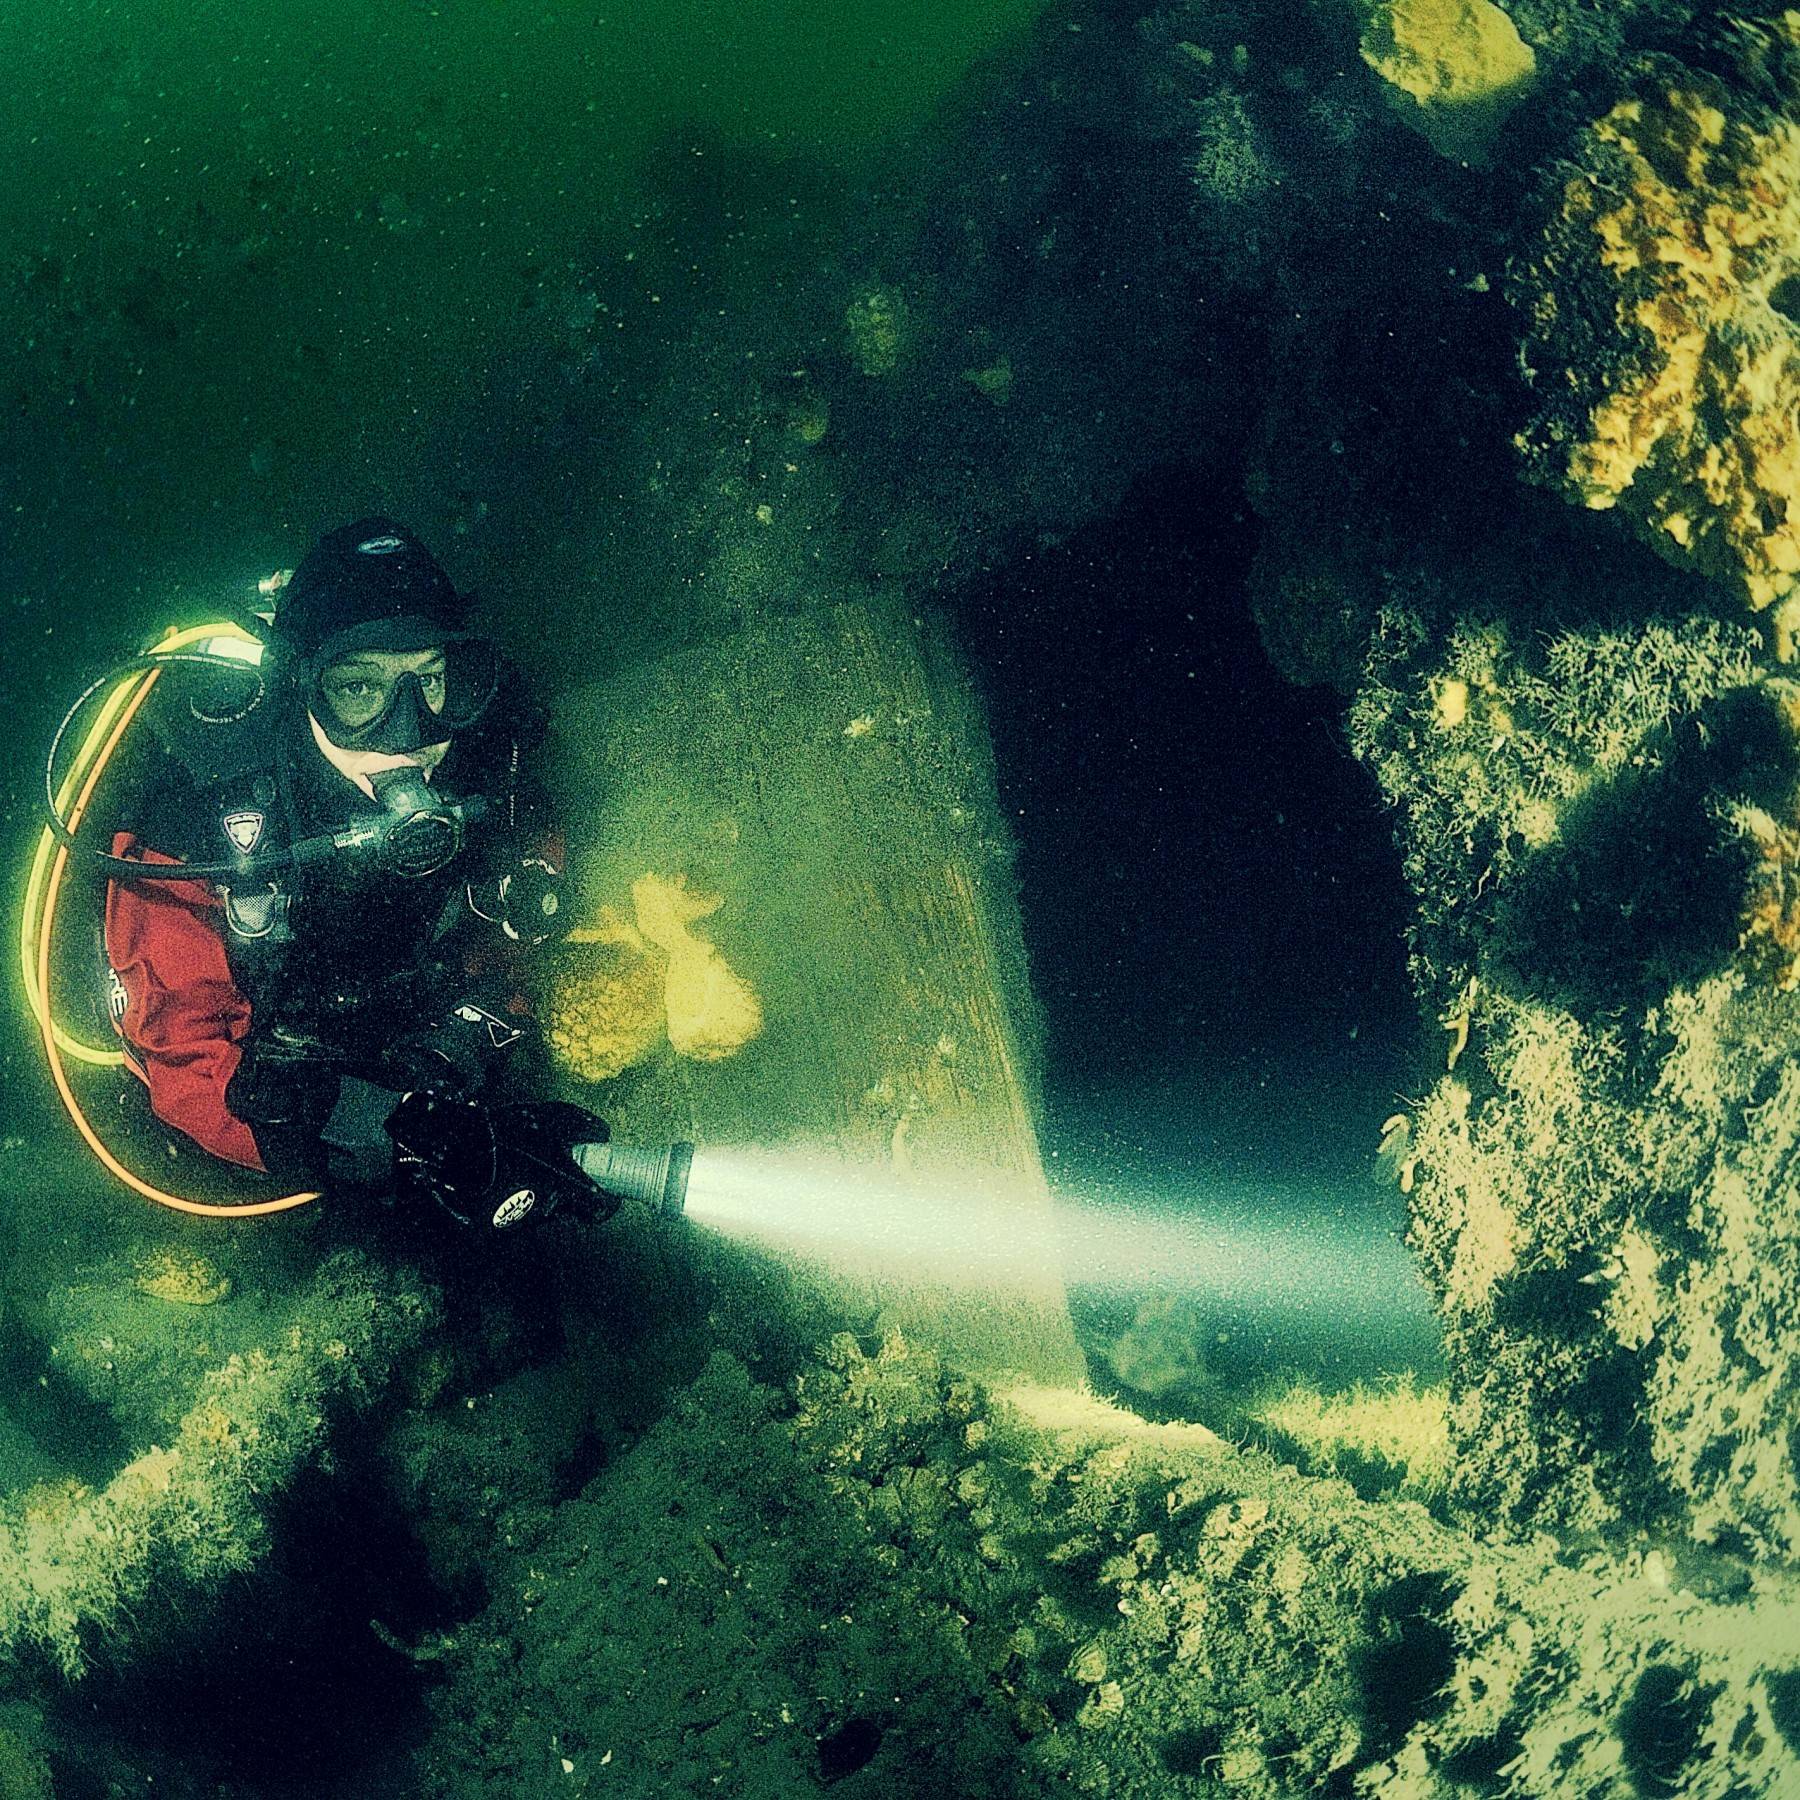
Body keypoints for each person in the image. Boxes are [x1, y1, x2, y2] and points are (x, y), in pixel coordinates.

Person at [96, 516, 610, 1230]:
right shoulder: (195, 824)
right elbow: (186, 1066)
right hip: (264, 1072)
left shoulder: (491, 752)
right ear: (301, 686)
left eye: (430, 679)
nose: (410, 735)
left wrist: (460, 1047)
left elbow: (519, 923)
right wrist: (377, 1145)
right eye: (360, 691)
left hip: (396, 1018)